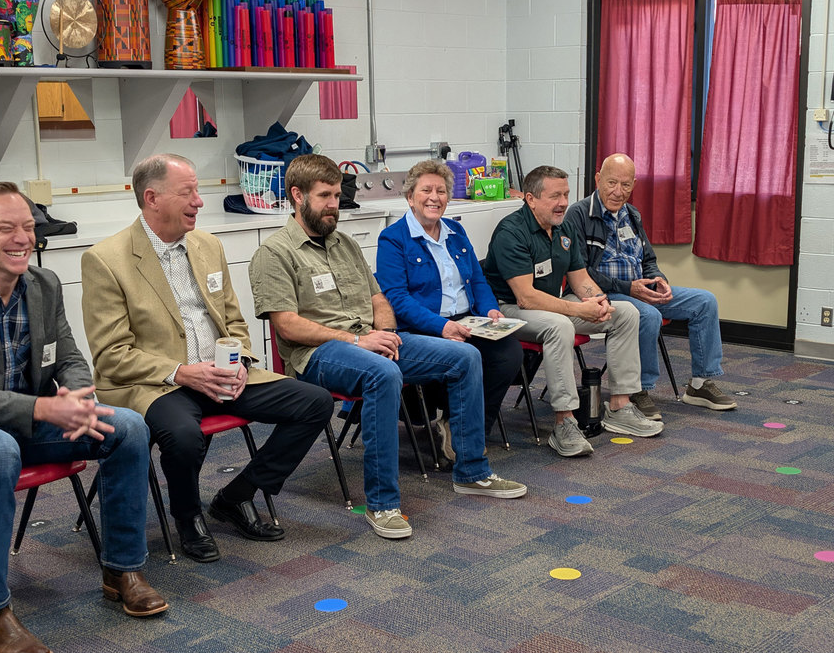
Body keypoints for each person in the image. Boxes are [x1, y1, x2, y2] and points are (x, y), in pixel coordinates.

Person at [0, 181, 166, 653]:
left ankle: (122, 572)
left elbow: (68, 356)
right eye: (6, 228)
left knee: (128, 426)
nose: (23, 238)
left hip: (28, 423)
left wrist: (78, 397)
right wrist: (44, 410)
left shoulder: (44, 284)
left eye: (27, 226)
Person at [249, 154, 527, 542]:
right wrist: (358, 341)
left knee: (465, 355)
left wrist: (387, 333)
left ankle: (472, 471)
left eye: (337, 196)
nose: (333, 205)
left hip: (369, 339)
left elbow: (379, 298)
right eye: (325, 196)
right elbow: (287, 325)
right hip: (319, 352)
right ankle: (382, 503)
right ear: (297, 195)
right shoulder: (275, 252)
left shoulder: (344, 244)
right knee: (383, 373)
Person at [81, 154, 332, 564]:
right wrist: (182, 372)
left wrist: (240, 362)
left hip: (220, 374)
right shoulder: (106, 260)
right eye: (188, 192)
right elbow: (111, 355)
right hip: (158, 384)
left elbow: (233, 320)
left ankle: (237, 495)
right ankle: (188, 516)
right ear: (152, 198)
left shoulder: (207, 245)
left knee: (315, 403)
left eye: (198, 191)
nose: (199, 201)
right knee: (183, 436)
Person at [483, 165, 663, 458]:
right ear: (531, 199)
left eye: (566, 194)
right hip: (508, 309)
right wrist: (579, 309)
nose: (564, 203)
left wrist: (599, 302)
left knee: (626, 313)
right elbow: (526, 297)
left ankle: (620, 406)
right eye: (555, 196)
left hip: (553, 304)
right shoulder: (511, 232)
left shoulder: (563, 227)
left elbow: (580, 280)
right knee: (560, 326)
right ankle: (564, 422)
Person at [564, 153, 737, 419]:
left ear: (634, 185)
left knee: (705, 301)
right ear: (598, 179)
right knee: (647, 315)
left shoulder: (632, 214)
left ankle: (700, 383)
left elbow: (648, 260)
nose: (618, 191)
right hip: (605, 293)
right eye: (611, 183)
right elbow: (582, 272)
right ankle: (638, 389)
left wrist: (659, 281)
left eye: (625, 185)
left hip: (640, 288)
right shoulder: (578, 214)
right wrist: (628, 288)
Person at [375, 159, 523, 455]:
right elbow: (398, 299)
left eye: (441, 191)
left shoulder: (455, 231)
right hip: (424, 327)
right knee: (465, 356)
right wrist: (442, 327)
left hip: (468, 320)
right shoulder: (393, 239)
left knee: (509, 354)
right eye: (426, 190)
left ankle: (466, 427)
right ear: (410, 197)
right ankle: (463, 433)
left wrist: (490, 310)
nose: (434, 197)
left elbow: (477, 279)